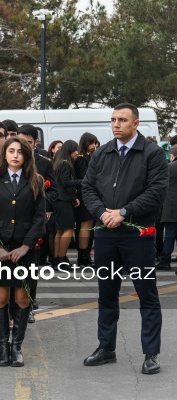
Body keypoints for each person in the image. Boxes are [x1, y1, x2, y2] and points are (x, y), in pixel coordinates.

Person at [82, 103, 168, 375]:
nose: (116, 124)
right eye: (113, 119)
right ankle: (106, 348)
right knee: (106, 294)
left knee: (147, 295)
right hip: (106, 236)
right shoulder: (103, 153)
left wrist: (124, 212)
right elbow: (88, 187)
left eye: (122, 119)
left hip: (137, 236)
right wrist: (101, 213)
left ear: (136, 123)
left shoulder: (152, 154)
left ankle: (150, 353)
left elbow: (157, 191)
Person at [0, 137, 46, 367]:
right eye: (11, 151)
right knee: (0, 297)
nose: (15, 155)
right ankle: (3, 346)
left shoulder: (36, 181)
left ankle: (17, 346)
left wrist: (26, 246)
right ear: (4, 154)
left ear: (27, 156)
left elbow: (40, 218)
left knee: (20, 297)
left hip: (25, 248)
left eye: (20, 151)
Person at [17, 124, 57, 321]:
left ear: (36, 143)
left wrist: (45, 208)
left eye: (28, 143)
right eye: (20, 141)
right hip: (10, 221)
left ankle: (29, 304)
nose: (23, 146)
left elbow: (53, 190)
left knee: (30, 266)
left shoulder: (44, 162)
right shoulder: (7, 158)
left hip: (34, 221)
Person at [52, 140, 81, 268]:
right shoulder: (65, 164)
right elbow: (65, 183)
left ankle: (57, 258)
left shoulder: (58, 162)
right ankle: (62, 258)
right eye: (75, 150)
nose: (77, 153)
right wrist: (83, 181)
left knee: (59, 231)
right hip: (63, 200)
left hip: (58, 200)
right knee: (68, 229)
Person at [74, 133, 99, 267]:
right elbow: (85, 178)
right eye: (92, 143)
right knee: (85, 226)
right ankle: (83, 257)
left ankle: (85, 255)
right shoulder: (82, 159)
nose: (94, 146)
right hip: (84, 196)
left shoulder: (85, 157)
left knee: (87, 226)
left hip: (86, 195)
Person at [156, 147, 177, 271]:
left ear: (172, 156)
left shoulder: (170, 168)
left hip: (171, 206)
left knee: (169, 234)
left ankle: (165, 261)